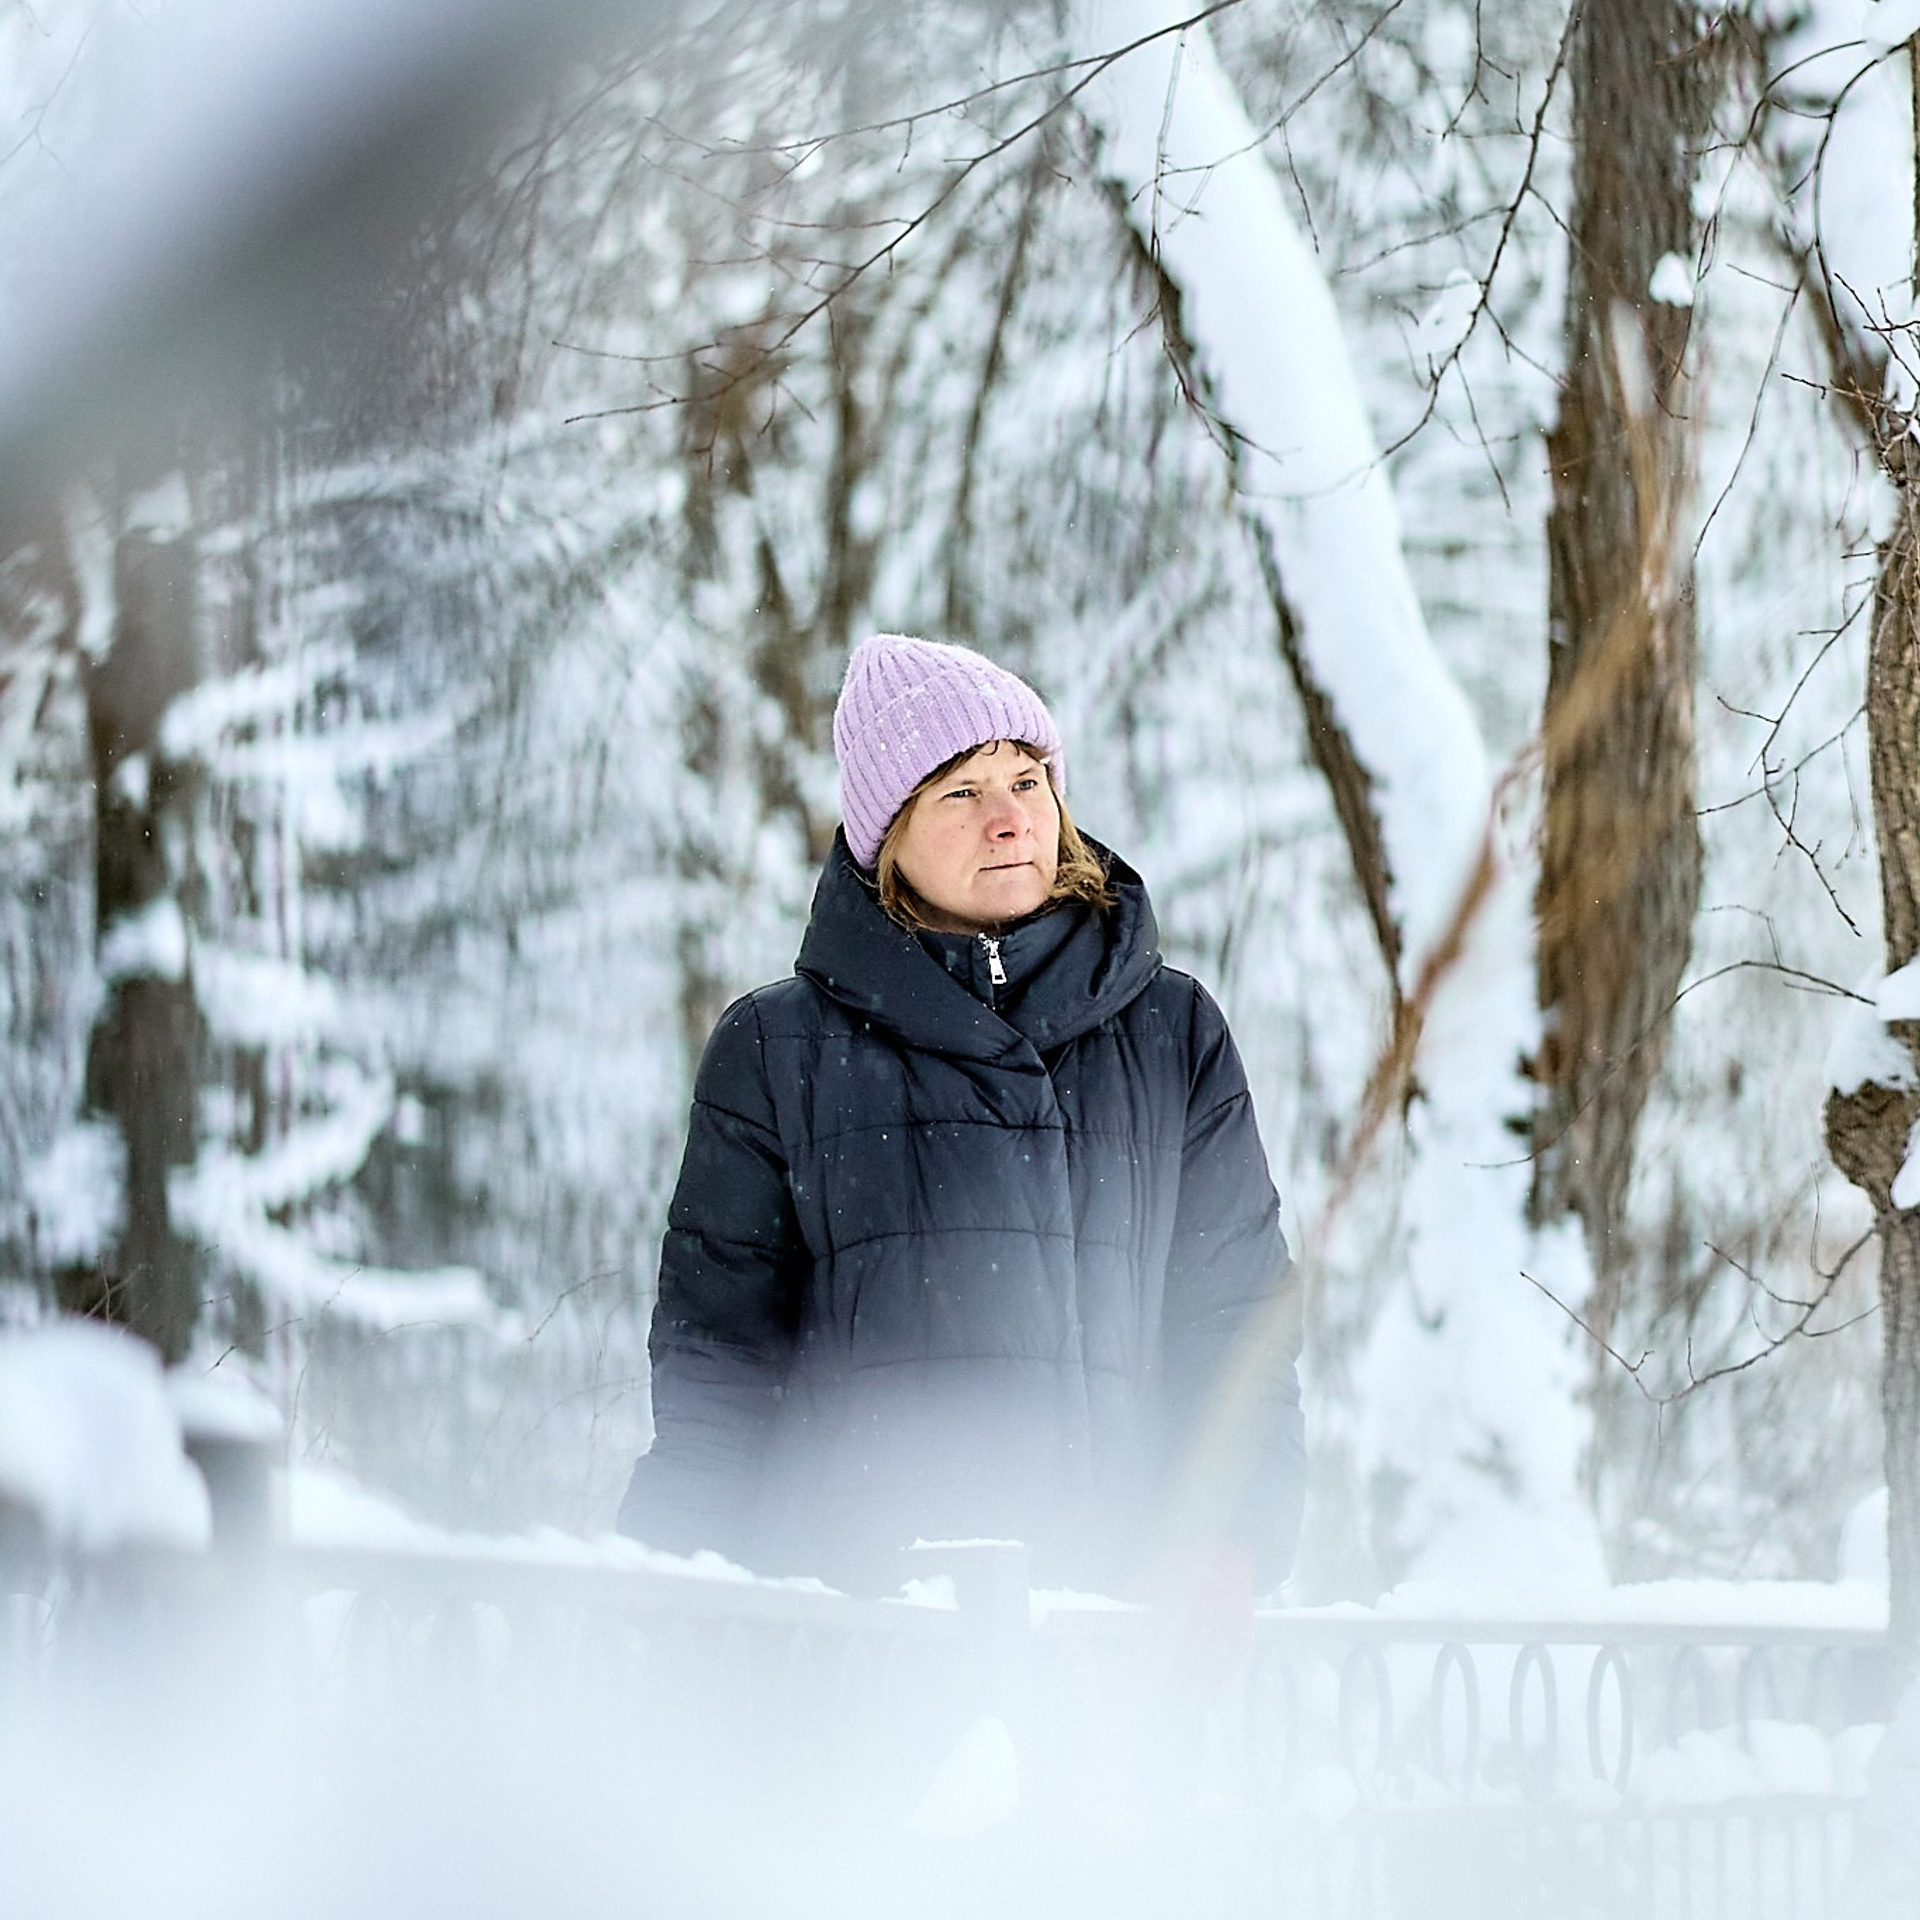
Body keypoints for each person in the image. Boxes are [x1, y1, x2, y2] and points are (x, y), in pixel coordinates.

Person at [618, 633, 1303, 1598]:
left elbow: (1236, 1326)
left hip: (1108, 1634)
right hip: (855, 1636)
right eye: (961, 792)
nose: (1009, 819)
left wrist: (1234, 1551)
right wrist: (671, 1595)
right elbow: (719, 1366)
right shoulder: (778, 1050)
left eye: (1027, 780)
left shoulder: (1169, 1030)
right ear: (885, 836)